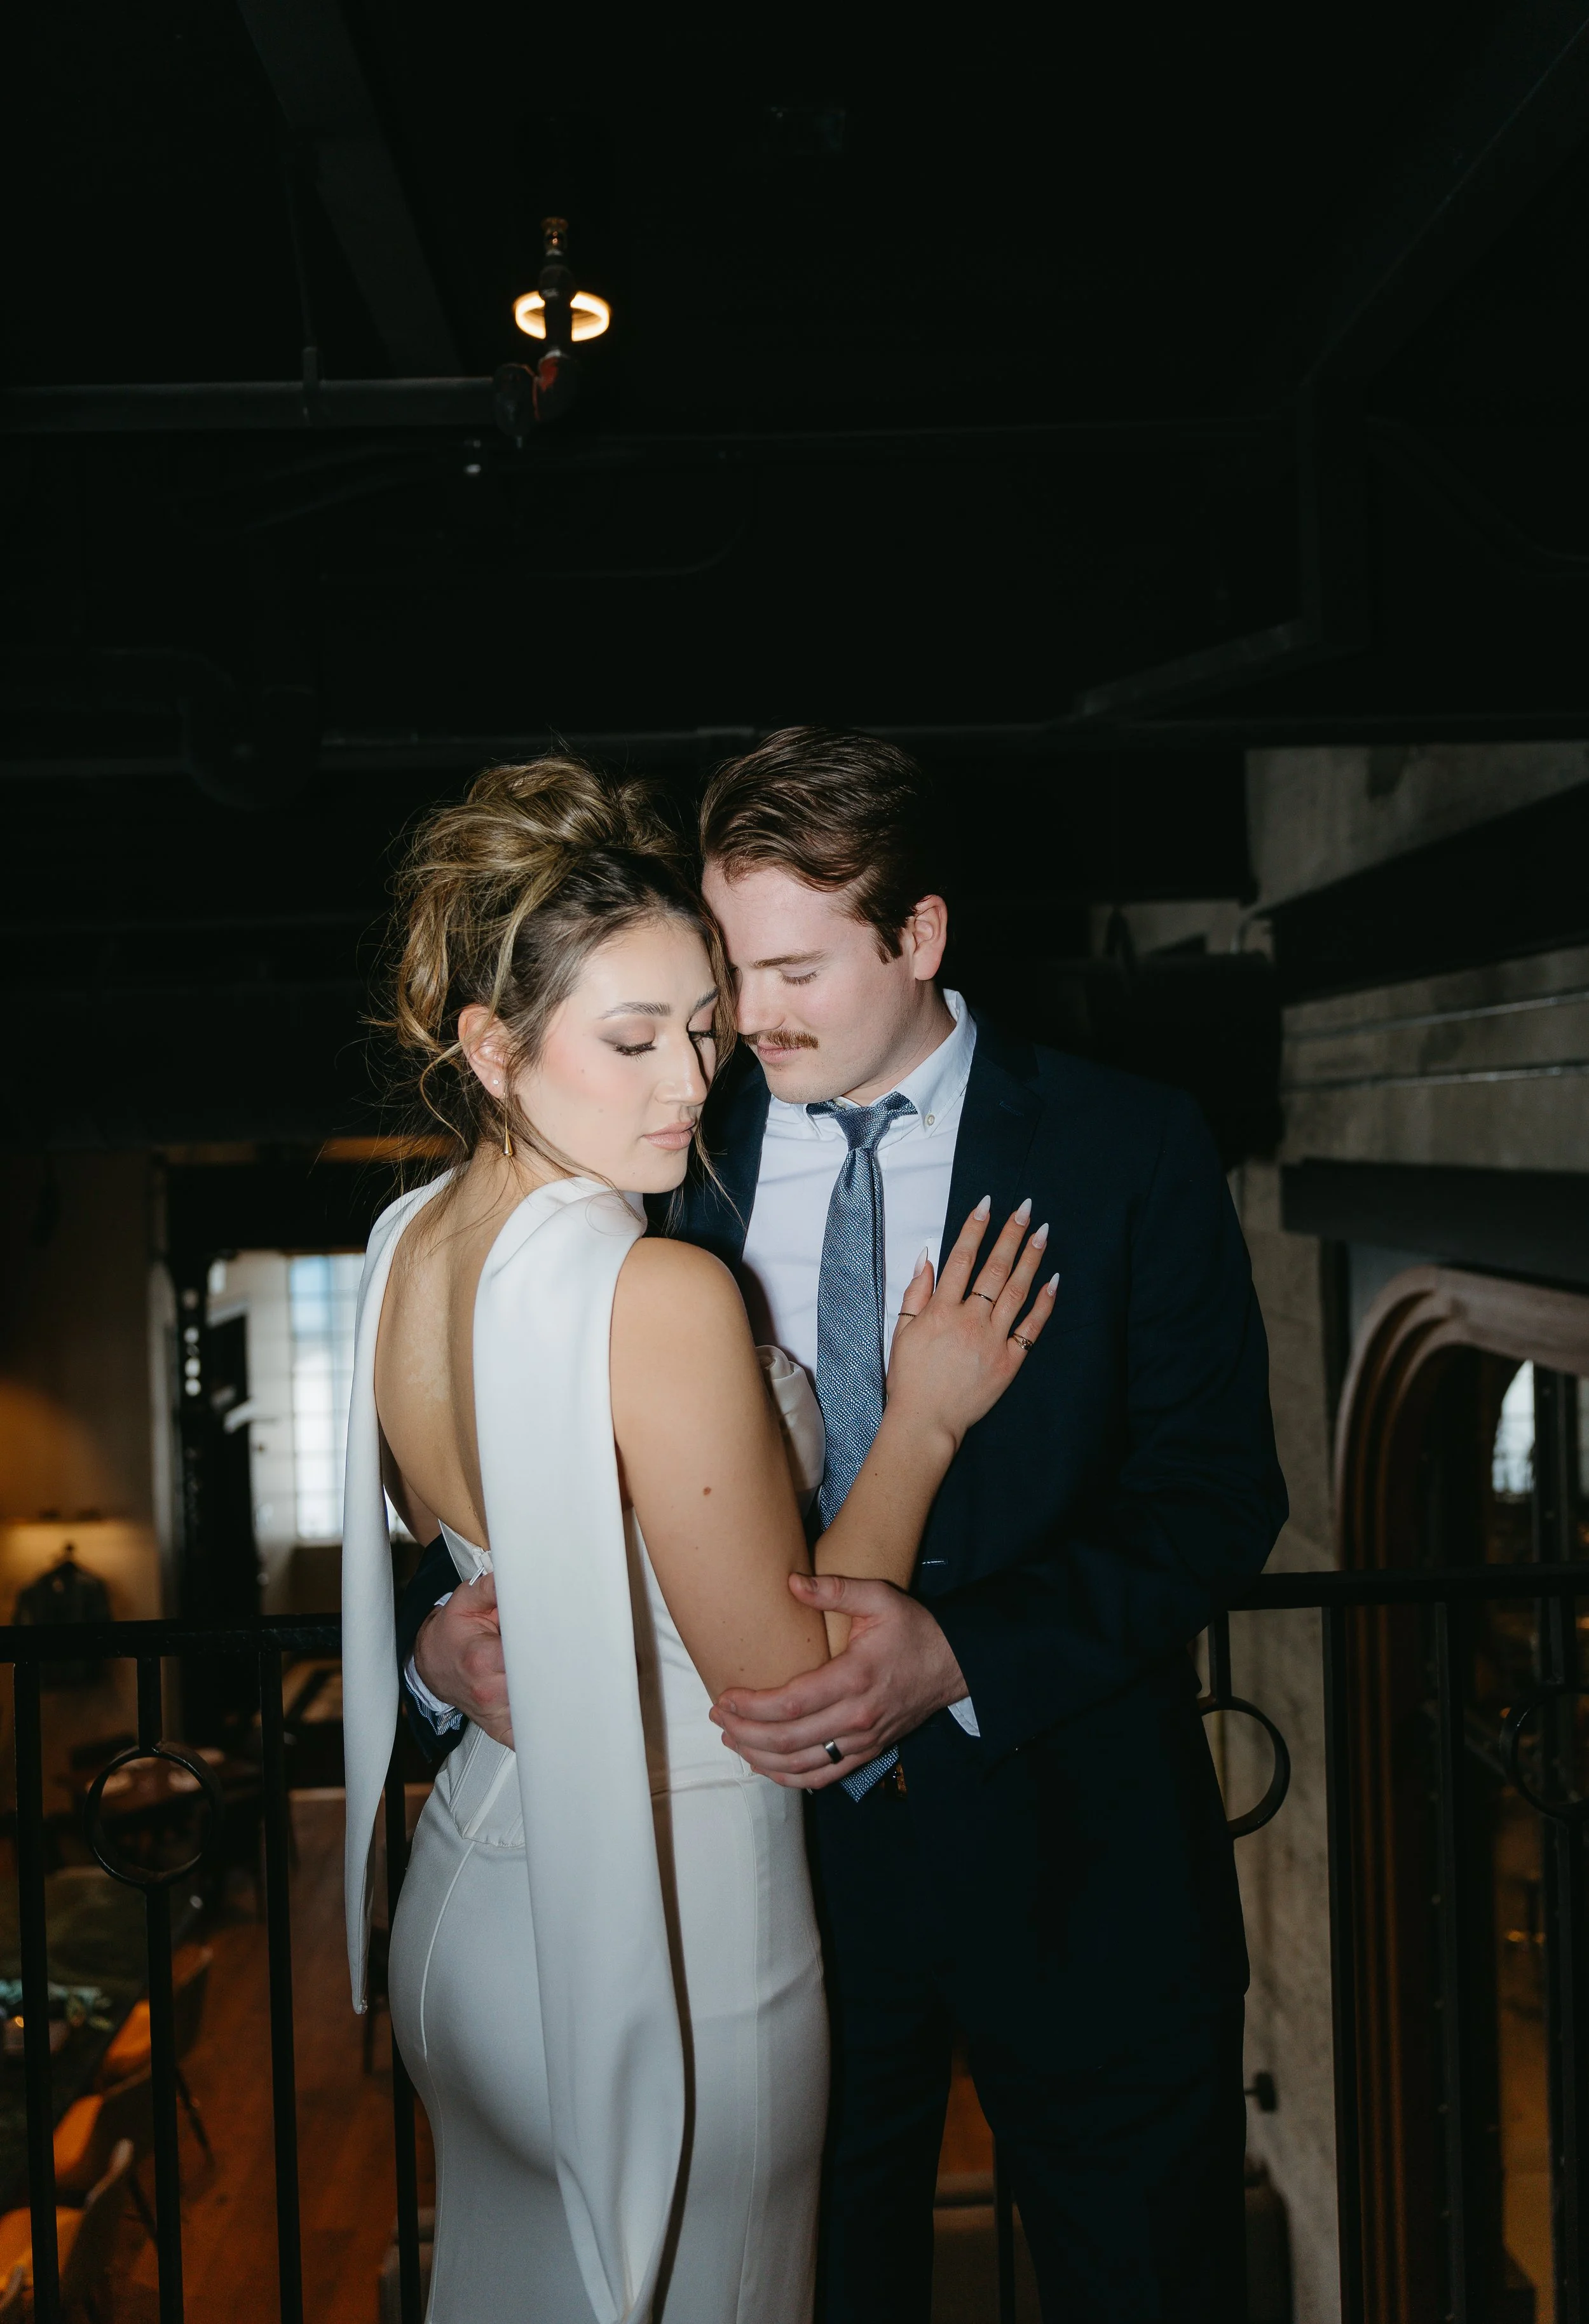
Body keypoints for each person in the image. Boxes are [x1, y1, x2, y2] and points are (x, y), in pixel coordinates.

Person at [406, 730, 1288, 2323]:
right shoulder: (662, 1148)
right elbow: (517, 1407)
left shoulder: (1123, 1143)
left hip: (1078, 1861)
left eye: (790, 968)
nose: (738, 1022)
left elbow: (1219, 1499)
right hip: (760, 1889)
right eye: (725, 970)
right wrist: (438, 1641)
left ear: (920, 936)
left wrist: (959, 1649)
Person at [342, 756, 1052, 2324]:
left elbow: (487, 1546)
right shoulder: (651, 1288)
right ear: (491, 1044)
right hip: (660, 1919)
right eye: (633, 1037)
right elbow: (789, 1695)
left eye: (703, 1027)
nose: (688, 1082)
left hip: (469, 1901)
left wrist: (432, 1648)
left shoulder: (406, 1240)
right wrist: (923, 1416)